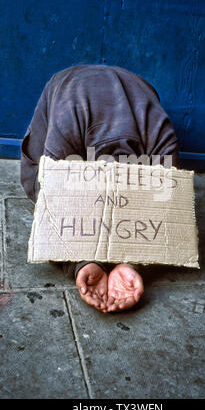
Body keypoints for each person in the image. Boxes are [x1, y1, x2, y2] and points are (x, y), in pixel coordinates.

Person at [20, 64, 179, 313]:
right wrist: (80, 263)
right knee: (36, 182)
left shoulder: (161, 141)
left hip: (138, 89)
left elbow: (163, 210)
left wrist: (133, 263)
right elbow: (50, 206)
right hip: (67, 86)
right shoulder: (65, 128)